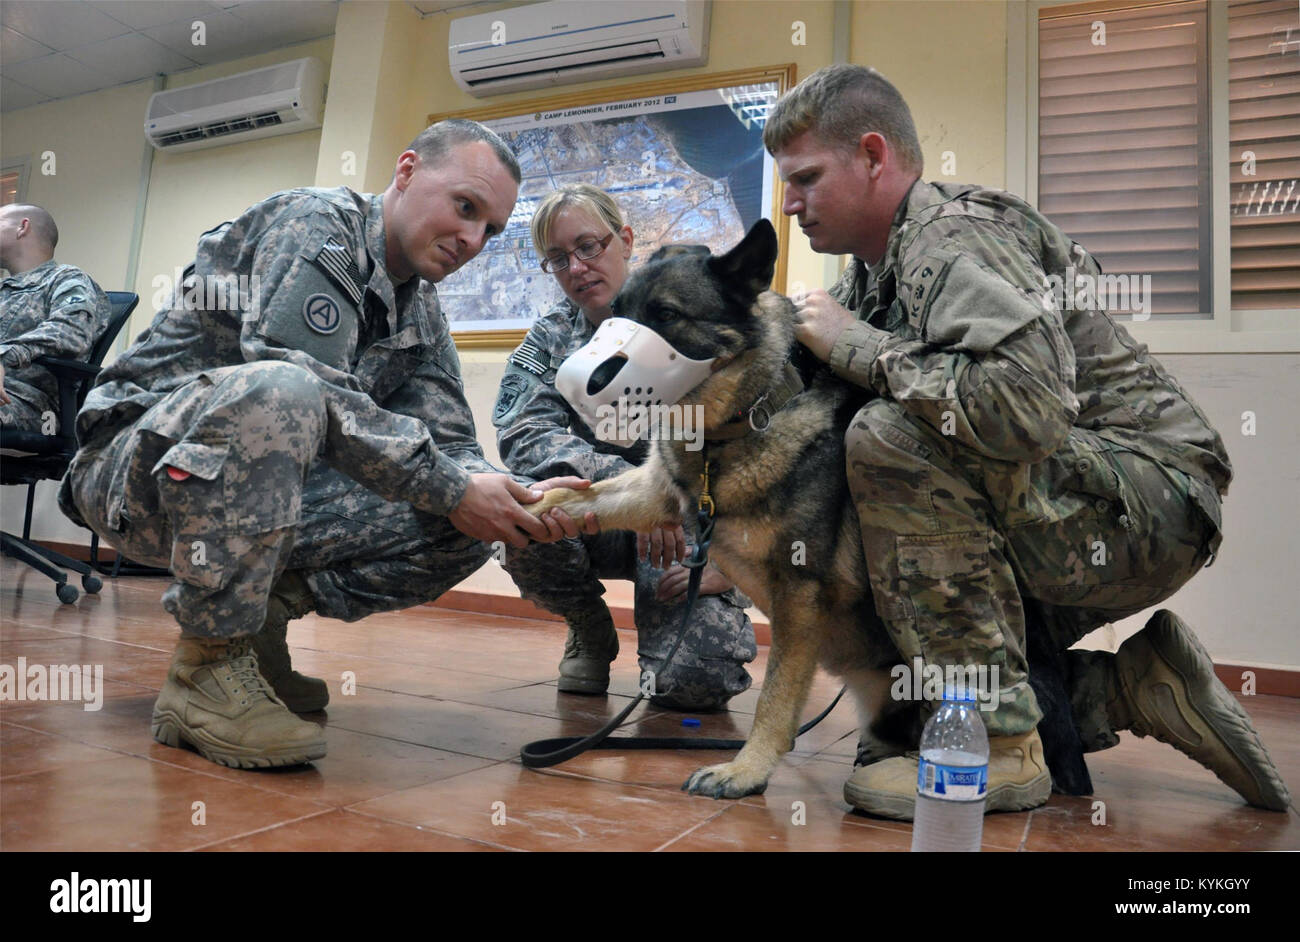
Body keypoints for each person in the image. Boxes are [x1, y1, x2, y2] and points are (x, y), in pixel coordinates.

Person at [764, 64, 1290, 818]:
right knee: (893, 563)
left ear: (873, 157)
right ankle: (1134, 689)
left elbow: (1026, 408)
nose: (790, 203)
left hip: (1149, 500)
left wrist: (858, 348)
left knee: (888, 439)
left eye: (806, 178)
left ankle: (998, 750)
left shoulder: (951, 238)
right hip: (1084, 498)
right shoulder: (875, 272)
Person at [61, 120, 586, 770]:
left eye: (492, 231)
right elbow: (301, 380)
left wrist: (516, 498)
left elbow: (451, 443)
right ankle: (206, 670)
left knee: (467, 520)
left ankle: (256, 629)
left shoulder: (419, 311)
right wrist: (452, 485)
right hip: (133, 473)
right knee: (286, 389)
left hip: (242, 486)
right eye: (465, 207)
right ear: (407, 172)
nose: (473, 240)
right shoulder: (317, 224)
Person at [492, 183, 756, 711]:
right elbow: (523, 433)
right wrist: (638, 497)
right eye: (558, 259)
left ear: (625, 240)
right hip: (604, 515)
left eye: (589, 247)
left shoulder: (685, 317)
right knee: (522, 515)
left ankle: (682, 638)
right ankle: (589, 626)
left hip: (680, 531)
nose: (577, 268)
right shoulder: (549, 338)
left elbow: (753, 447)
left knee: (694, 686)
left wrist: (732, 560)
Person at [1, 204, 110, 433]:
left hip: (27, 402)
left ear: (23, 227)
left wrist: (4, 356)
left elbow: (71, 333)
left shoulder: (65, 279)